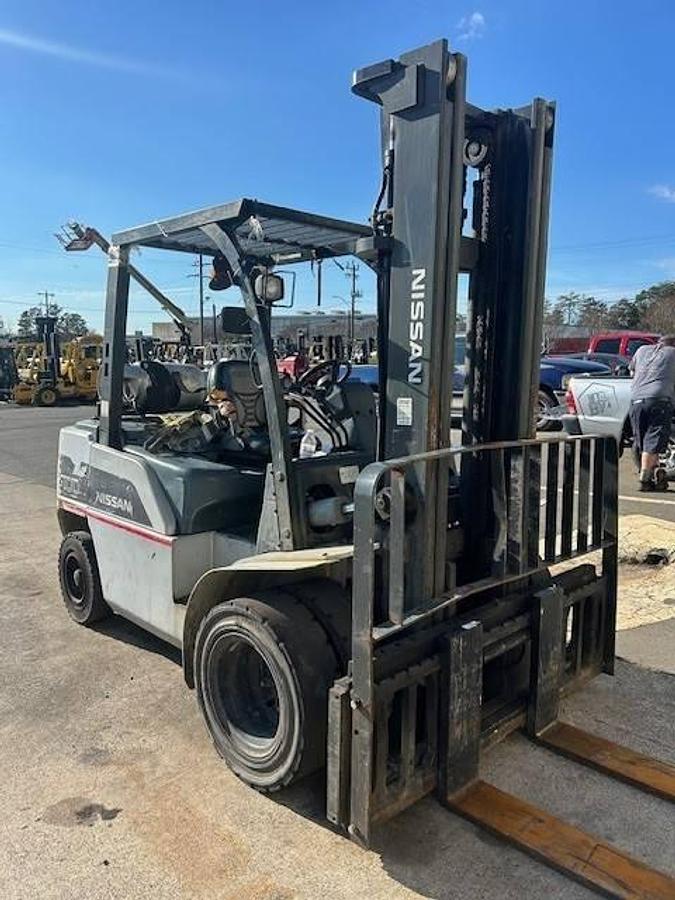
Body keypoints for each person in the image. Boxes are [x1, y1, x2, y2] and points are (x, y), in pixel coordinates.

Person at [629, 336, 675, 491]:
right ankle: (645, 479)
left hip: (636, 401)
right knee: (653, 441)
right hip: (659, 400)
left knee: (644, 443)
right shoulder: (673, 353)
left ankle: (655, 474)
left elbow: (631, 370)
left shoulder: (642, 350)